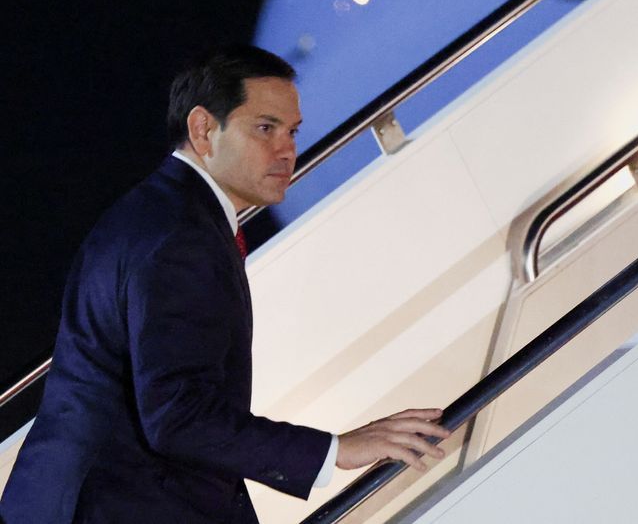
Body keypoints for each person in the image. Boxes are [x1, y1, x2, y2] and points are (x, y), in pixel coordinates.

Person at [0, 45, 449, 523]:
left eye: (292, 131)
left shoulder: (161, 212)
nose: (287, 150)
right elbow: (177, 415)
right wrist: (336, 450)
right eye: (265, 128)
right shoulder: (179, 235)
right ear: (203, 129)